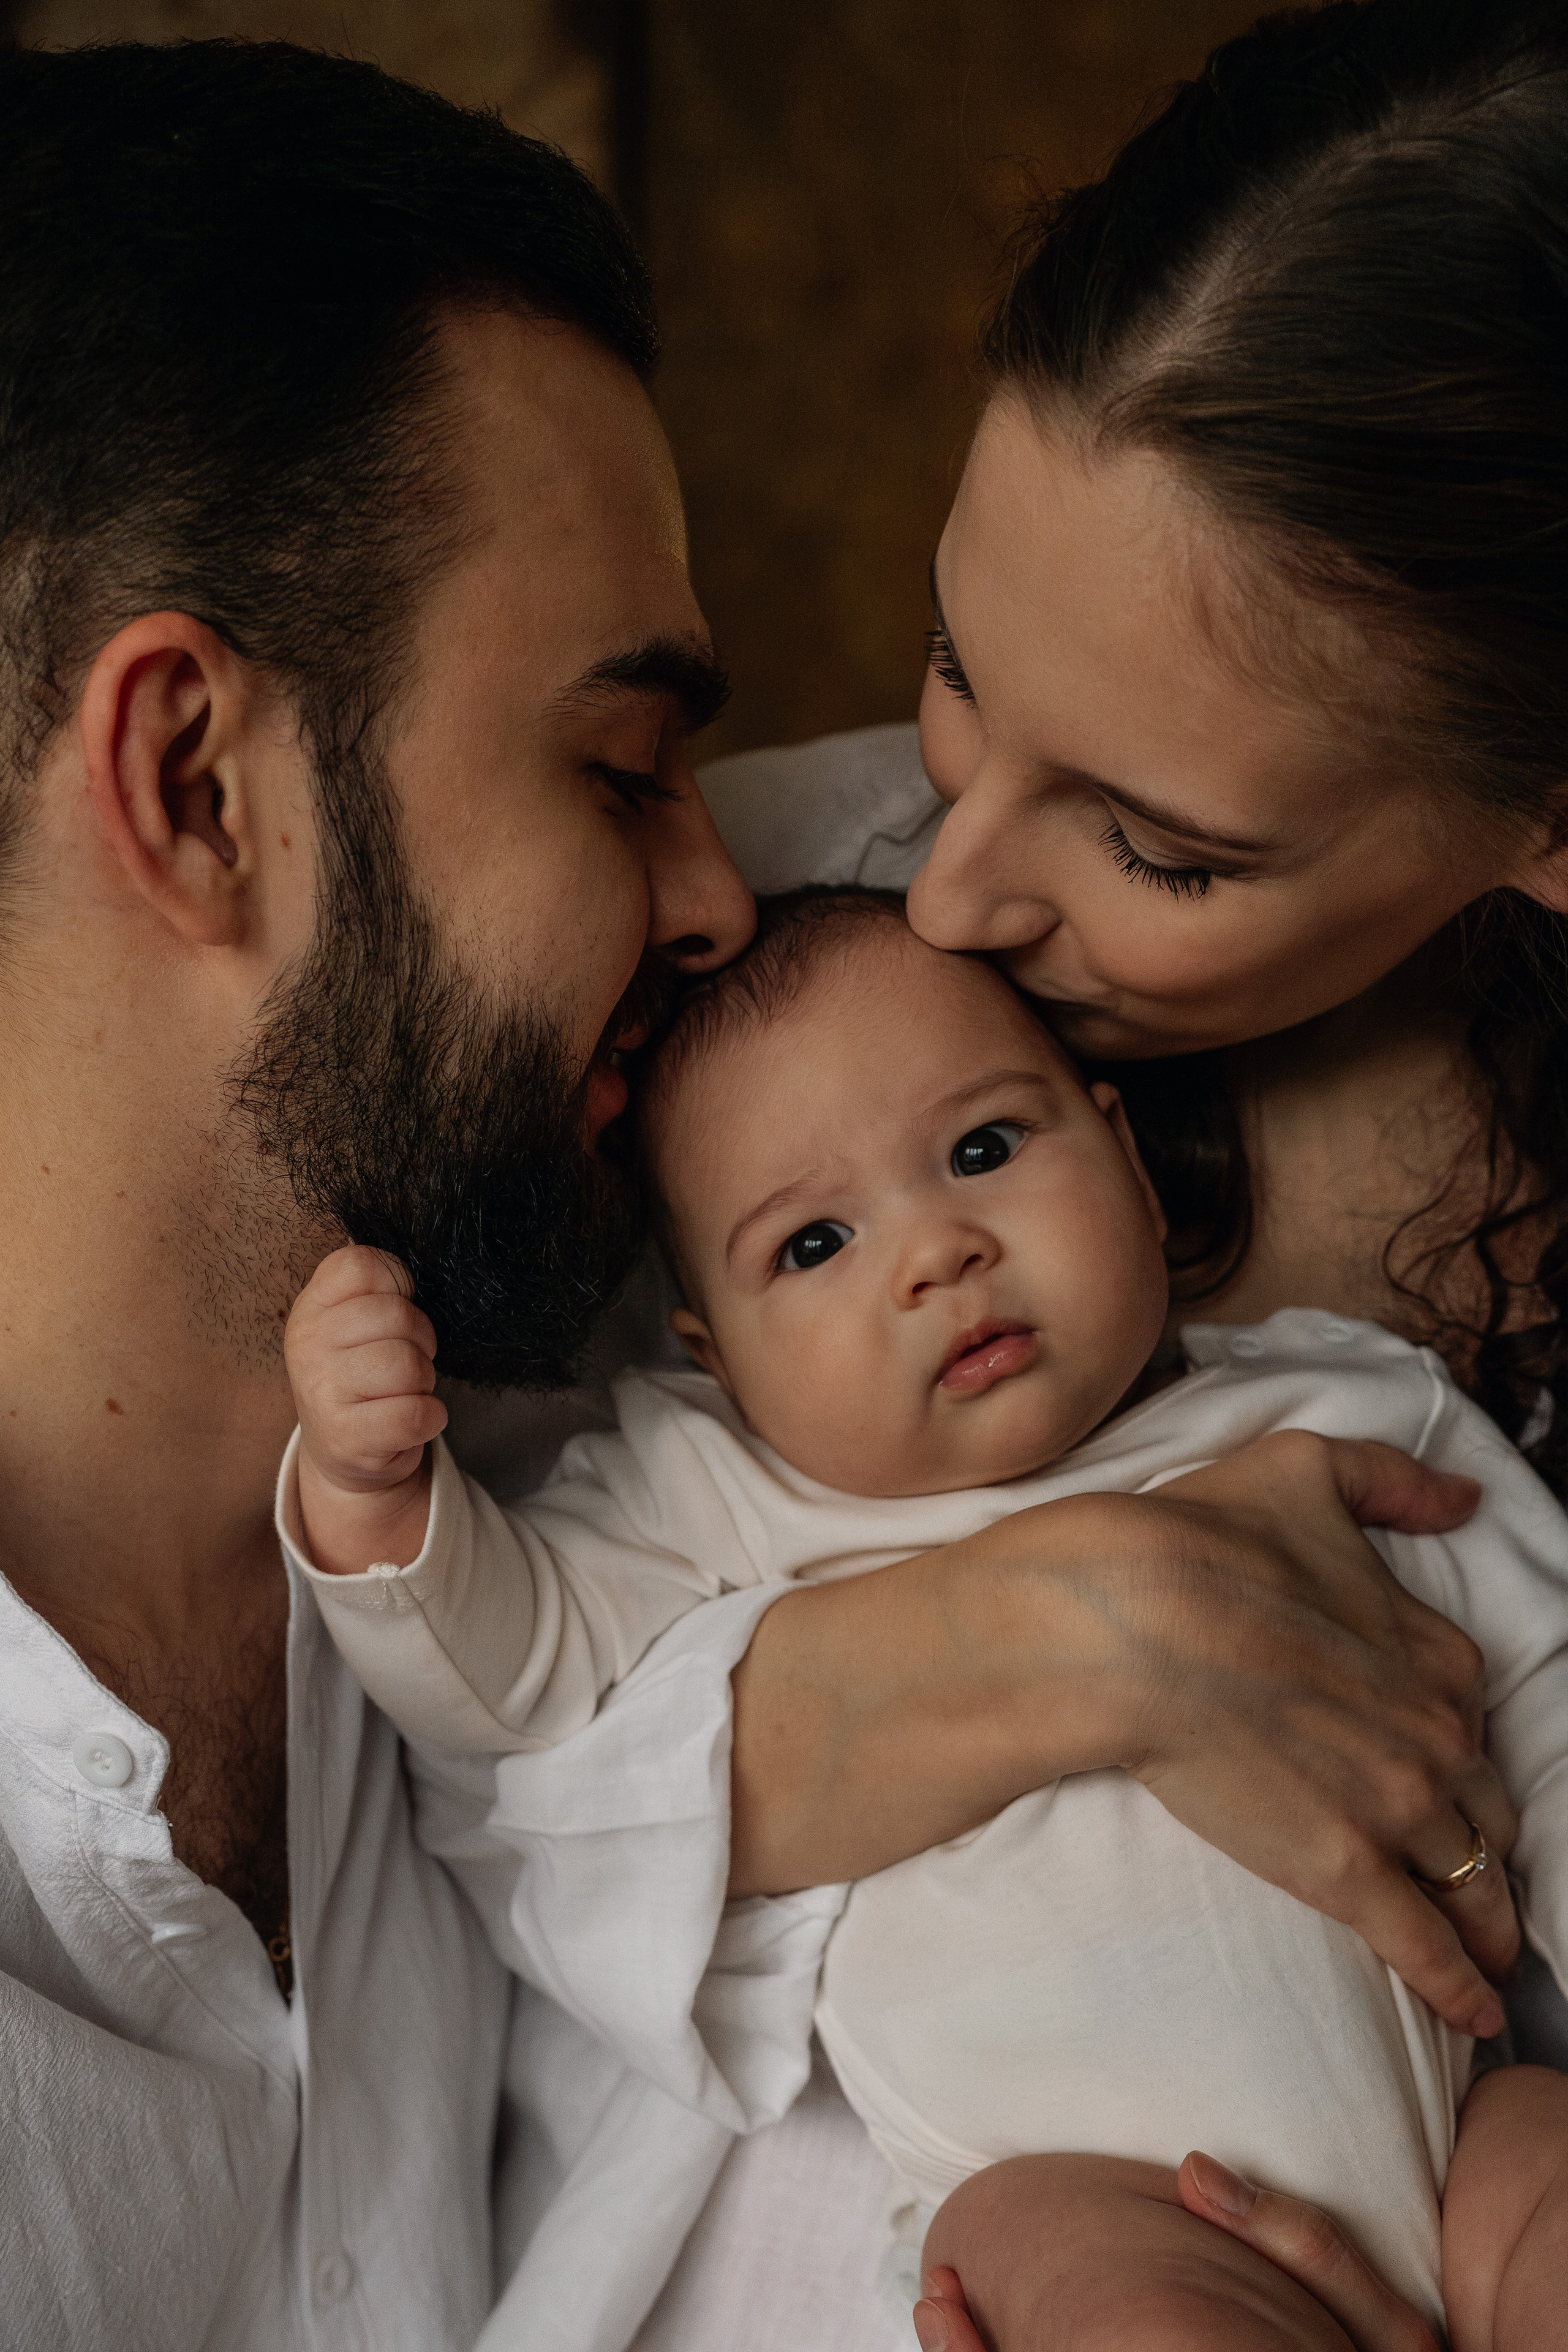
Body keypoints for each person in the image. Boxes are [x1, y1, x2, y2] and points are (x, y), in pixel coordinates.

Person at [0, 23, 1541, 2352]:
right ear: (195, 784)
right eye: (625, 767)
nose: (864, 905)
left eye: (1154, 849)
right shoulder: (571, 1296)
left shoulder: (555, 1214)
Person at [277, 888, 1568, 2349]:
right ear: (720, 1359)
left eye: (983, 1150)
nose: (935, 1250)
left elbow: (1548, 1697)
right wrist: (379, 1504)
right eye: (813, 1244)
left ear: (1129, 1165)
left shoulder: (1345, 1407)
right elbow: (510, 1680)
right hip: (1096, 2193)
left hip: (1464, 2126)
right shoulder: (719, 1495)